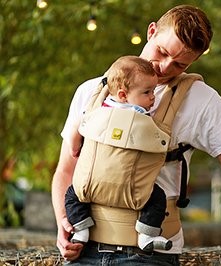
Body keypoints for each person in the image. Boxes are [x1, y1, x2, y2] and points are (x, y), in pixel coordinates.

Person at [52, 4, 221, 266]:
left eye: (180, 64)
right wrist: (63, 223)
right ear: (151, 32)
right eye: (162, 52)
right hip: (84, 249)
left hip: (149, 254)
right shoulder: (92, 91)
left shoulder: (201, 101)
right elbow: (66, 170)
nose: (165, 67)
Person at [65, 55, 172, 252]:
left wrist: (75, 144)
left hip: (89, 185)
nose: (152, 98)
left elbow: (77, 135)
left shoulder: (98, 106)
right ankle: (147, 235)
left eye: (154, 91)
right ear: (123, 95)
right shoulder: (142, 115)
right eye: (147, 92)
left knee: (72, 194)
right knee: (157, 197)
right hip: (133, 191)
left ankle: (80, 229)